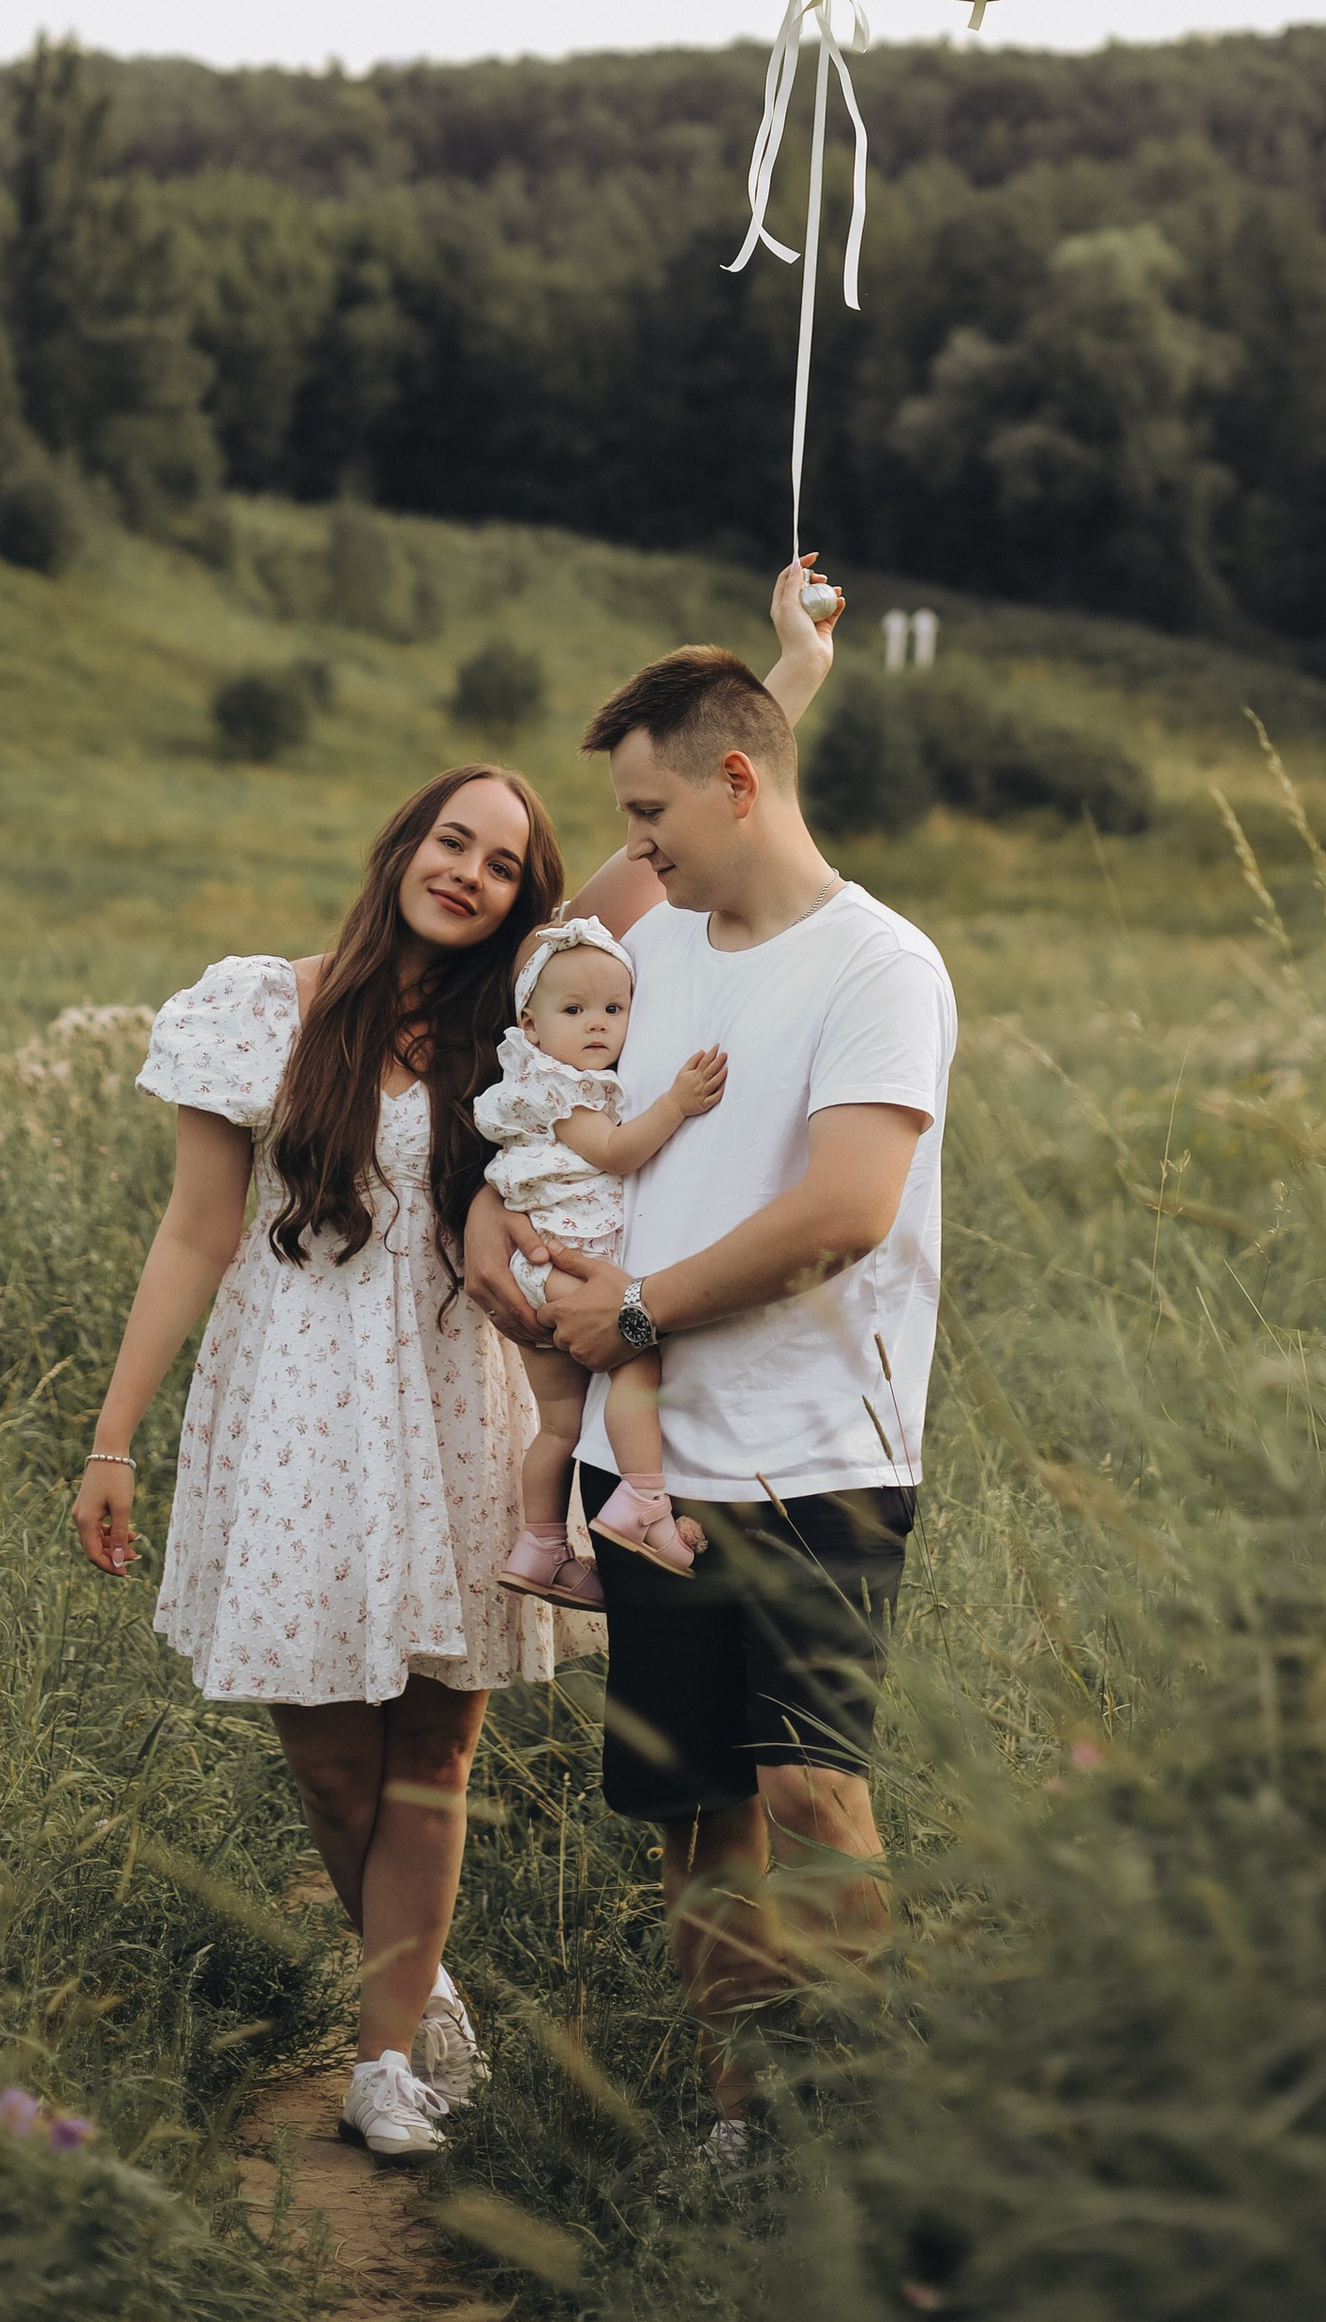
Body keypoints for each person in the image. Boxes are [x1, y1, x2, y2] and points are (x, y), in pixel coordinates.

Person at [69, 568, 840, 2167]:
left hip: (452, 1404)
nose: (475, 873)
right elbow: (194, 1239)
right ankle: (419, 1994)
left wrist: (787, 670)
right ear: (403, 848)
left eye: (506, 861)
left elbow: (676, 833)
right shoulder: (254, 1013)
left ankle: (381, 2057)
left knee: (435, 1749)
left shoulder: (527, 1021)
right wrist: (113, 1438)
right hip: (288, 1409)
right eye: (453, 841)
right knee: (329, 1755)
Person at [465, 640, 955, 2173]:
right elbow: (552, 977)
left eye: (652, 806)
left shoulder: (884, 965)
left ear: (736, 787)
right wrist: (494, 1214)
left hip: (823, 1451)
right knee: (693, 1810)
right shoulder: (654, 938)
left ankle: (848, 2117)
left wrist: (646, 1310)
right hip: (653, 1463)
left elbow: (850, 1207)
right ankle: (745, 2115)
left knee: (812, 1783)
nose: (636, 838)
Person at [478, 916, 726, 1600]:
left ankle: (539, 1549)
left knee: (559, 1422)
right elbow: (615, 1152)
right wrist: (676, 1104)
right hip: (564, 1266)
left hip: (538, 1271)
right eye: (574, 1010)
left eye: (614, 1009)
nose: (597, 1025)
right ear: (530, 1027)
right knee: (636, 1355)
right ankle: (644, 1506)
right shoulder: (562, 1089)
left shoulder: (530, 1084)